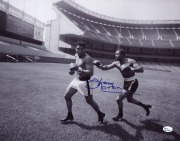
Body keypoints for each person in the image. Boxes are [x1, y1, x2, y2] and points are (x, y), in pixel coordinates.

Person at [93, 48, 152, 121]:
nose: (115, 55)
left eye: (117, 54)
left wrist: (131, 68)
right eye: (115, 54)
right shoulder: (116, 63)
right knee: (130, 100)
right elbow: (106, 68)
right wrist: (99, 65)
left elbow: (141, 69)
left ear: (123, 55)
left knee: (118, 99)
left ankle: (120, 114)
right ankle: (145, 106)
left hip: (133, 82)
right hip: (126, 82)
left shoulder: (130, 61)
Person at [61, 41, 105, 124]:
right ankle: (70, 115)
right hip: (76, 80)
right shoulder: (76, 55)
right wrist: (72, 71)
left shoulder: (87, 58)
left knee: (89, 101)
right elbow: (76, 68)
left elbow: (91, 72)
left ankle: (100, 114)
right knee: (67, 96)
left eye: (82, 49)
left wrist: (78, 69)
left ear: (84, 50)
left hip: (85, 82)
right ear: (75, 49)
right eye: (78, 49)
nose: (79, 51)